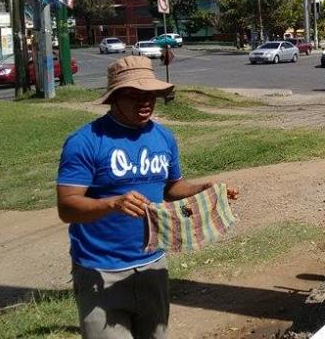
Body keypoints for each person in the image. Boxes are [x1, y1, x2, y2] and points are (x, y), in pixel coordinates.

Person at [57, 55, 238, 339]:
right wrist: (112, 204)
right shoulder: (86, 141)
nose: (145, 102)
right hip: (100, 271)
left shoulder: (163, 138)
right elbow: (67, 207)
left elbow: (172, 188)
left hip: (153, 265)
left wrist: (205, 188)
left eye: (150, 94)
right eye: (133, 95)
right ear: (114, 97)